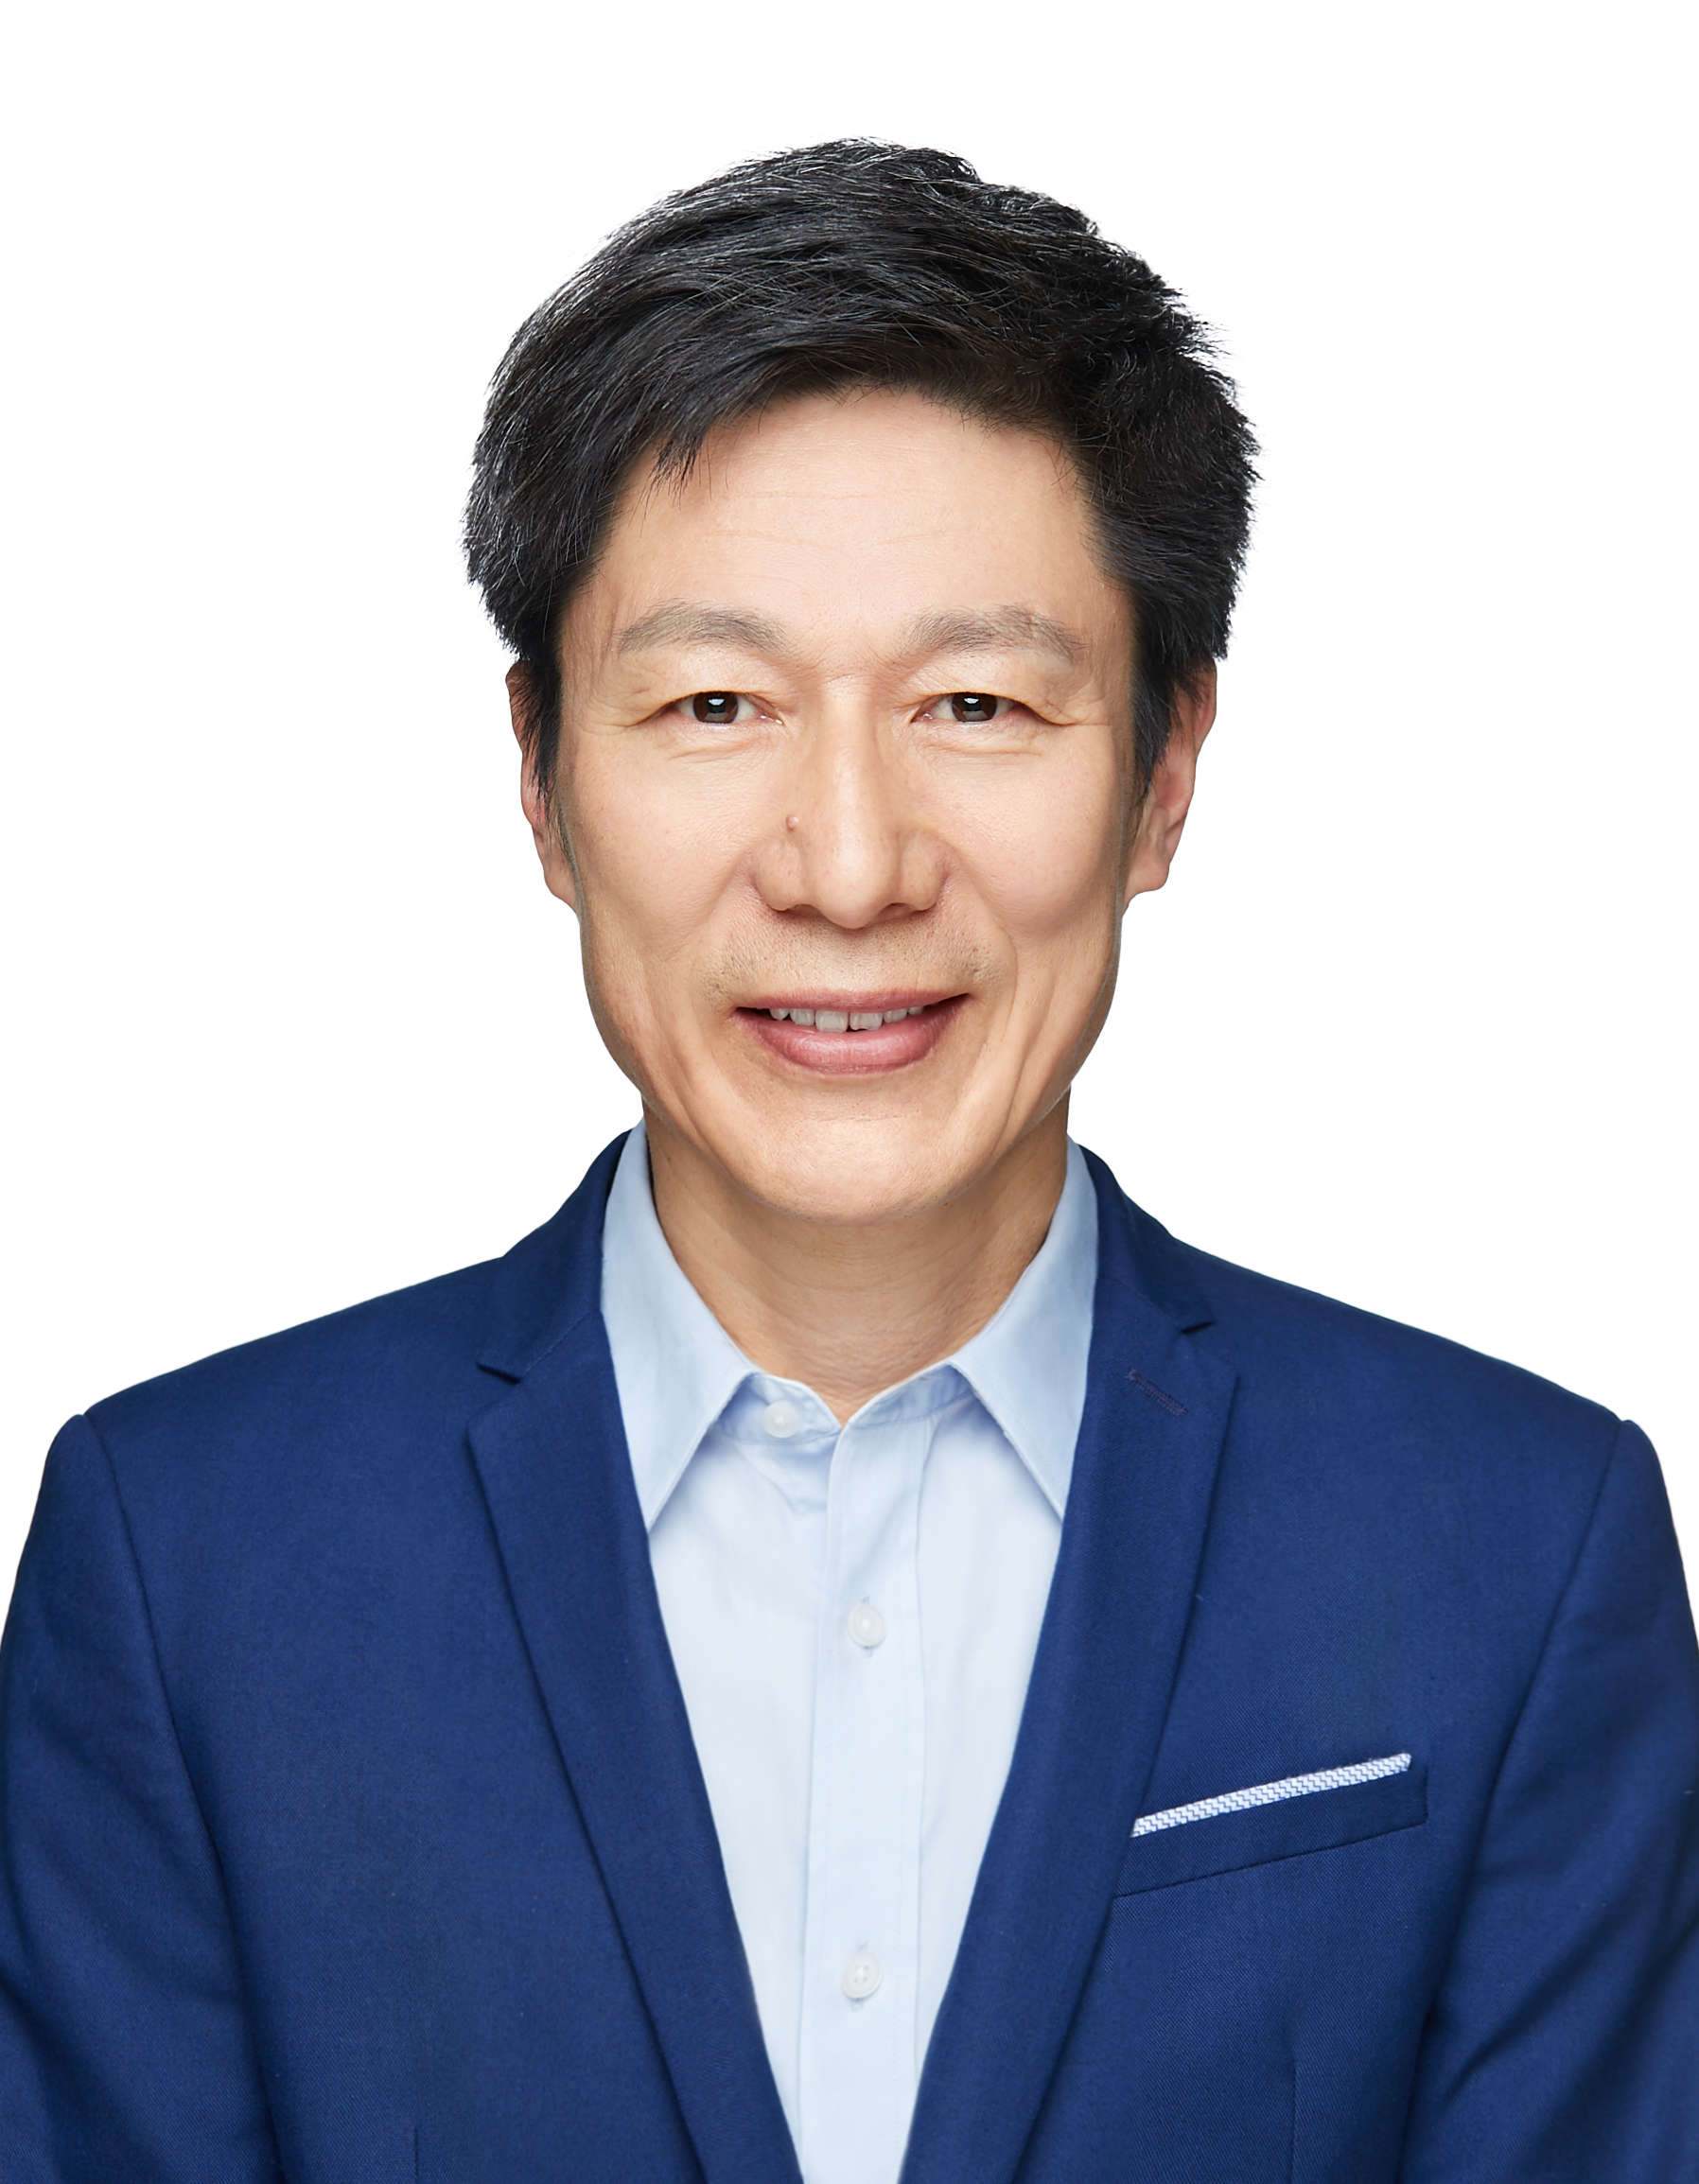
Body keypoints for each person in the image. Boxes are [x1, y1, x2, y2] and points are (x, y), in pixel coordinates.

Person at [1, 140, 1693, 2184]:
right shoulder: (187, 1562)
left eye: (974, 702)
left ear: (1165, 770)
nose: (851, 863)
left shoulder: (1520, 1548)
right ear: (540, 778)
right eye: (715, 702)